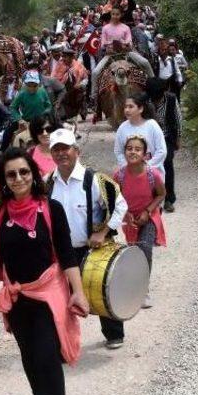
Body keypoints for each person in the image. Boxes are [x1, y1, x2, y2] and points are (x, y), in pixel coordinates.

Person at [0, 148, 89, 395]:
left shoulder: (51, 208)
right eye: (11, 174)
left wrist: (78, 291)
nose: (18, 179)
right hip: (17, 296)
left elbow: (67, 254)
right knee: (28, 353)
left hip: (47, 293)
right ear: (4, 180)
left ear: (33, 174)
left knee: (45, 354)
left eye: (24, 172)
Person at [46, 128, 129, 350]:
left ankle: (114, 333)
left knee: (102, 288)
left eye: (66, 149)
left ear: (77, 150)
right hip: (62, 253)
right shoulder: (48, 183)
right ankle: (64, 342)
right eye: (56, 150)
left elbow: (120, 205)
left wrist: (102, 233)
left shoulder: (93, 180)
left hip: (92, 249)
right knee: (62, 297)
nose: (61, 154)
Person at [113, 135, 166, 313]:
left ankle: (144, 290)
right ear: (124, 151)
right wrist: (126, 214)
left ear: (145, 154)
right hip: (130, 220)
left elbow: (161, 194)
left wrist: (147, 211)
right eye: (129, 148)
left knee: (145, 250)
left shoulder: (152, 174)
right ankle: (135, 285)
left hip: (149, 217)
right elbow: (116, 197)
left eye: (137, 149)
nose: (133, 152)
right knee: (134, 252)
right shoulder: (119, 175)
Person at [91, 7, 155, 104]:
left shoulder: (126, 28)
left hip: (126, 53)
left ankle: (154, 86)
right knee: (95, 72)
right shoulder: (105, 28)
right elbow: (103, 42)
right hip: (111, 55)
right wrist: (111, 45)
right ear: (111, 15)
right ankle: (93, 95)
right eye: (113, 14)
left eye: (117, 14)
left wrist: (123, 44)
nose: (115, 16)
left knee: (145, 62)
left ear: (121, 15)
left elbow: (129, 41)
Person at [147, 78, 182, 212]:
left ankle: (168, 198)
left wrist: (178, 138)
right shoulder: (144, 101)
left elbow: (178, 119)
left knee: (167, 162)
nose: (156, 101)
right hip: (149, 138)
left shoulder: (171, 100)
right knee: (148, 166)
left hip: (167, 136)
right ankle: (150, 197)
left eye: (158, 98)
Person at [114, 93, 167, 178]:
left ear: (140, 109)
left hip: (152, 176)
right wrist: (127, 166)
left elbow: (161, 151)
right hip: (130, 175)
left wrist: (146, 167)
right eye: (125, 107)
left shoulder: (152, 125)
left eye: (131, 107)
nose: (127, 110)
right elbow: (118, 151)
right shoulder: (122, 128)